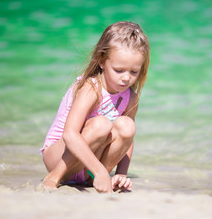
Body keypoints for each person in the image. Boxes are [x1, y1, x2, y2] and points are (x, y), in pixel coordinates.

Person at [40, 21, 150, 193]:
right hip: (58, 157)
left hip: (86, 166)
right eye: (119, 70)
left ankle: (94, 179)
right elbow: (69, 134)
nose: (126, 78)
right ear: (101, 61)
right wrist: (99, 170)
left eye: (133, 72)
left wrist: (121, 174)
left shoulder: (130, 97)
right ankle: (54, 177)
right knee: (101, 124)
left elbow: (128, 141)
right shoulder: (92, 88)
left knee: (128, 126)